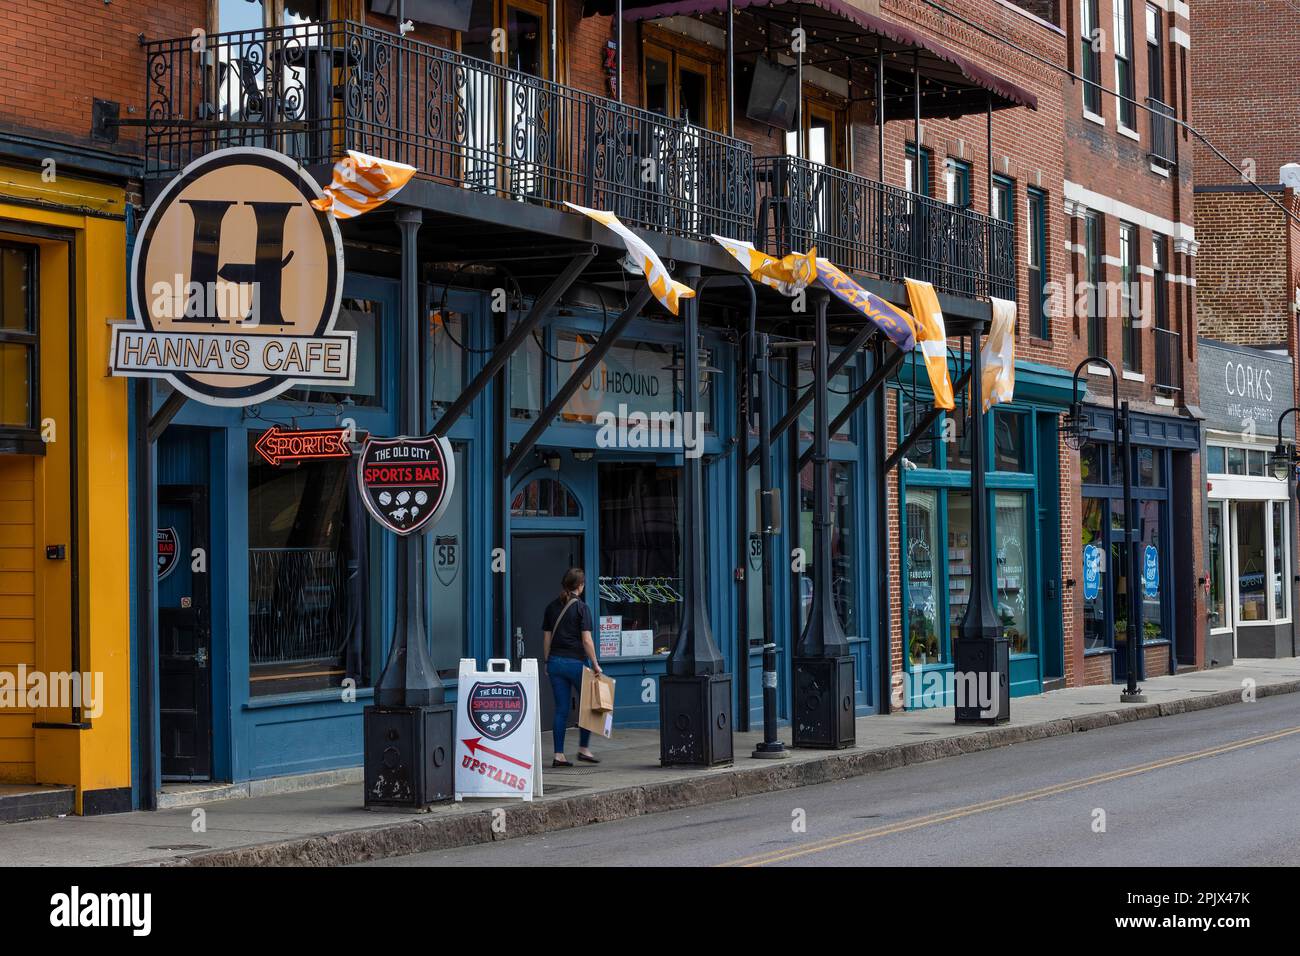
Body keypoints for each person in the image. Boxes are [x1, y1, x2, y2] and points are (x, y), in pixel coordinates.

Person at [542, 567, 601, 768]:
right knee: (590, 707)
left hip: (556, 663)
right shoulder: (582, 608)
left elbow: (547, 638)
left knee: (561, 710)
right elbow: (587, 640)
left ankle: (559, 755)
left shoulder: (551, 607)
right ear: (580, 586)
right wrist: (595, 664)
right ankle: (584, 749)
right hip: (576, 663)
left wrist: (547, 661)